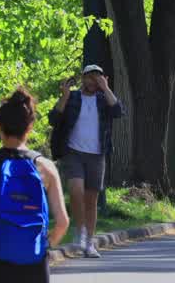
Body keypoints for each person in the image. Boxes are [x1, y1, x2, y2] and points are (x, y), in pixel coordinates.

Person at [0, 87, 69, 283]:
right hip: (34, 264)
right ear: (29, 127)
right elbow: (62, 223)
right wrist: (44, 247)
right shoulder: (46, 167)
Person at [48, 64, 124, 258]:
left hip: (97, 154)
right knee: (75, 189)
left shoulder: (103, 100)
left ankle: (89, 242)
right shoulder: (73, 98)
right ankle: (79, 231)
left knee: (91, 199)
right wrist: (64, 95)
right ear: (83, 79)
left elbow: (118, 111)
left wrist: (106, 88)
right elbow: (54, 118)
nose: (92, 81)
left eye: (97, 77)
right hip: (73, 152)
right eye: (89, 77)